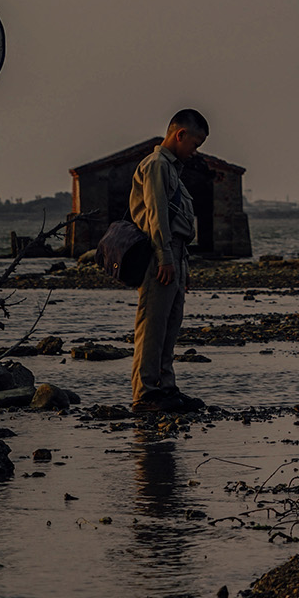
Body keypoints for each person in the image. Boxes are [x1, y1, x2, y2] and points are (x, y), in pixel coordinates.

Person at [129, 109, 208, 414]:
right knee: (152, 325)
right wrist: (165, 258)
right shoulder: (157, 166)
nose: (195, 151)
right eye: (195, 143)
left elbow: (178, 220)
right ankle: (146, 393)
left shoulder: (172, 169)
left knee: (169, 325)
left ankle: (166, 388)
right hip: (158, 253)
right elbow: (156, 215)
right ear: (180, 135)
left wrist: (182, 263)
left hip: (175, 254)